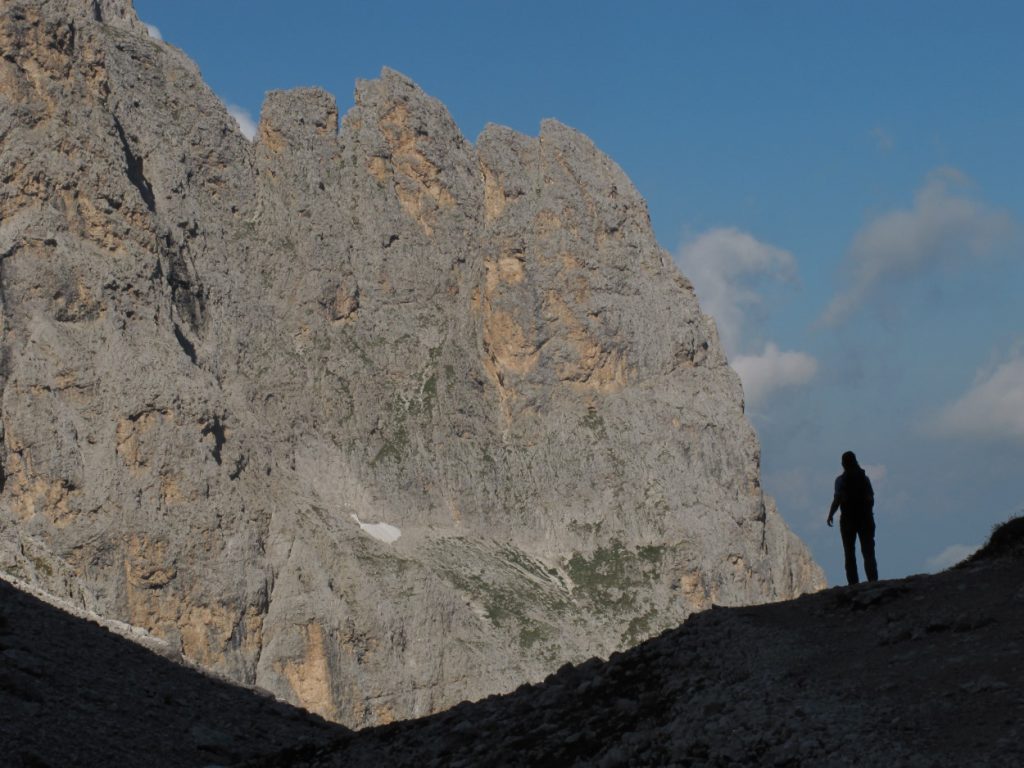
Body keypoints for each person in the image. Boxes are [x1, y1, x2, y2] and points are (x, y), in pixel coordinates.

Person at [827, 450, 878, 585]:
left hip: (848, 520)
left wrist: (830, 514)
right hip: (865, 519)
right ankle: (873, 581)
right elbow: (871, 499)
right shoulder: (864, 479)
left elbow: (837, 500)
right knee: (868, 552)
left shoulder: (840, 481)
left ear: (843, 464)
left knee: (849, 553)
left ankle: (853, 584)